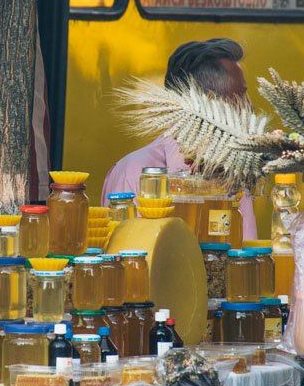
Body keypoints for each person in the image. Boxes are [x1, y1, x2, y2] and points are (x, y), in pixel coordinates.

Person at [101, 37, 258, 240]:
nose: (250, 108)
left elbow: (245, 254)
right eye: (241, 96)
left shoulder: (234, 173)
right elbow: (126, 262)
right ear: (210, 103)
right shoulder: (134, 173)